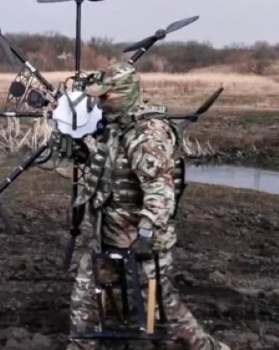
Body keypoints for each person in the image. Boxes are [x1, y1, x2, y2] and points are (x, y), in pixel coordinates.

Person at [65, 61, 230, 350]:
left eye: (106, 97)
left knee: (163, 312)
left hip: (138, 244)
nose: (100, 103)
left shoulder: (147, 134)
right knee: (87, 303)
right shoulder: (117, 127)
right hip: (106, 239)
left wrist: (146, 234)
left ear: (125, 93)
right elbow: (108, 171)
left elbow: (160, 189)